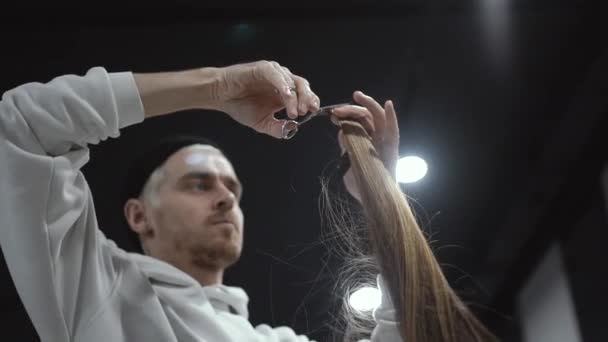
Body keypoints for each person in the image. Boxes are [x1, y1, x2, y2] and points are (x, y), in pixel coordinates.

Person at [0, 60, 401, 341]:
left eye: (232, 188)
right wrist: (216, 86)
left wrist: (382, 196)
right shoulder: (97, 291)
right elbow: (18, 128)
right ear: (139, 215)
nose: (226, 198)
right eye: (198, 184)